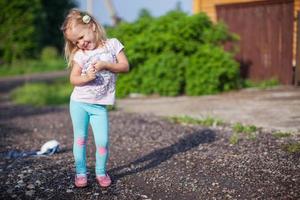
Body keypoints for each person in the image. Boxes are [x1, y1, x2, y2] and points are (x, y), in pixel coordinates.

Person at [61, 8, 129, 188]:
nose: (81, 43)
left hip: (99, 106)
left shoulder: (112, 45)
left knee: (102, 141)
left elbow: (125, 66)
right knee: (80, 139)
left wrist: (106, 64)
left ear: (92, 26)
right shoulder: (80, 55)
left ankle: (100, 171)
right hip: (79, 103)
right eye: (76, 41)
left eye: (82, 37)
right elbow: (73, 79)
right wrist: (87, 78)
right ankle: (81, 173)